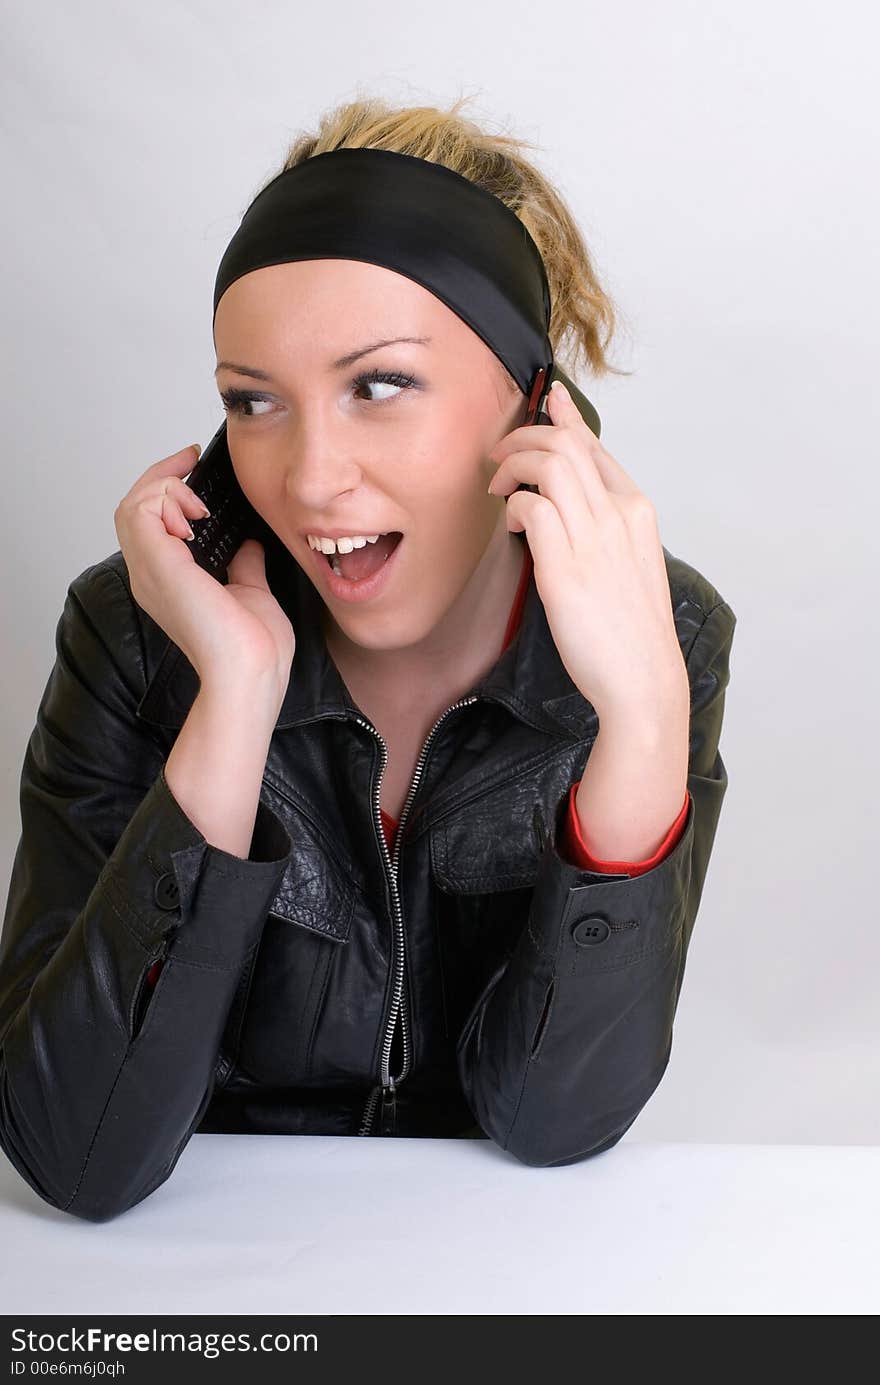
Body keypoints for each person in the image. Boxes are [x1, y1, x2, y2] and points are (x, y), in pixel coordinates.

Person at [0, 96, 736, 1222]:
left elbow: (552, 1119)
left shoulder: (656, 634)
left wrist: (639, 720)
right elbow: (78, 1156)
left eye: (377, 383)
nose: (305, 476)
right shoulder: (137, 633)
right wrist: (233, 697)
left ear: (532, 399)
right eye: (254, 401)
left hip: (490, 1274)